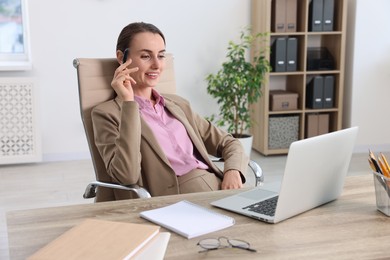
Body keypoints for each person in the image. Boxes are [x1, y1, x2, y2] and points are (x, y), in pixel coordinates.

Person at [92, 22, 248, 197]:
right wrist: (129, 104)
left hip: (220, 188)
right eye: (145, 56)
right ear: (121, 58)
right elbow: (126, 175)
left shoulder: (178, 105)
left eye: (161, 56)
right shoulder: (107, 114)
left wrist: (233, 171)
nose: (157, 65)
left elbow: (229, 142)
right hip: (175, 200)